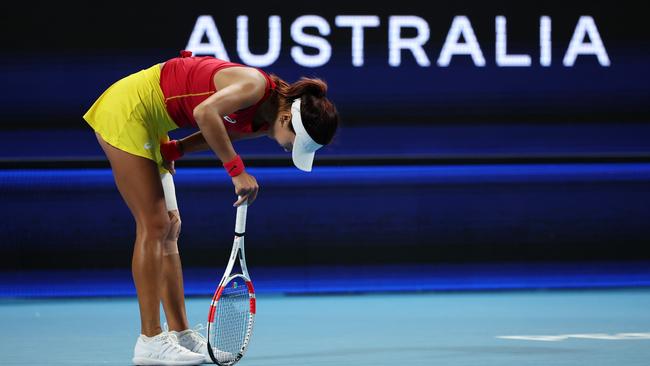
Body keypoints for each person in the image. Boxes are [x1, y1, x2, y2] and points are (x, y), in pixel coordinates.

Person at [83, 50, 339, 365]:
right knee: (154, 225)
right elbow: (206, 113)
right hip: (128, 108)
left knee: (170, 227)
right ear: (287, 118)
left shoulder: (263, 121)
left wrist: (178, 148)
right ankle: (149, 340)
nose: (290, 149)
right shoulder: (255, 86)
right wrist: (236, 171)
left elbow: (220, 130)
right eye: (295, 142)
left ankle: (179, 333)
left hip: (154, 122)